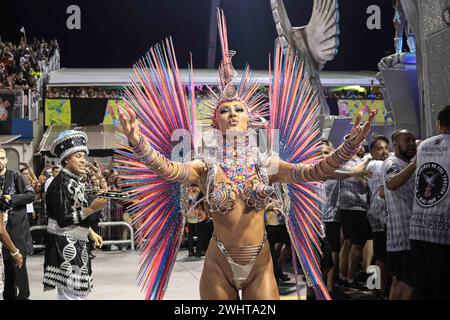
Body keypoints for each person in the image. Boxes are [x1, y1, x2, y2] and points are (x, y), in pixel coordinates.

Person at [116, 9, 376, 300]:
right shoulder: (206, 165)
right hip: (219, 263)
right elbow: (169, 170)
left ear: (249, 118)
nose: (232, 114)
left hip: (260, 264)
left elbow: (316, 171)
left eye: (238, 109)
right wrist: (139, 142)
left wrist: (348, 147)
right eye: (224, 110)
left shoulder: (267, 163)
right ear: (216, 122)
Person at [43, 130, 107, 300]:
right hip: (64, 246)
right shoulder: (59, 184)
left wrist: (91, 233)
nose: (83, 161)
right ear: (66, 159)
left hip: (77, 242)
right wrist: (93, 209)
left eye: (84, 157)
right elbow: (64, 220)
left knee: (80, 292)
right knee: (72, 294)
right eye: (78, 156)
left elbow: (75, 213)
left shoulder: (74, 181)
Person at [410, 105, 450, 299]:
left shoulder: (424, 145)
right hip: (444, 232)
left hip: (418, 229)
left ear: (439, 124)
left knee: (423, 289)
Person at [382, 129, 417, 300]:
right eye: (407, 140)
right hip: (401, 238)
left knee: (403, 281)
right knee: (406, 282)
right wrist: (416, 164)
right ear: (395, 144)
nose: (411, 143)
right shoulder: (392, 162)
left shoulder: (408, 163)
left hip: (411, 235)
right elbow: (391, 184)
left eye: (413, 140)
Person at [0, 148, 35, 300]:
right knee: (7, 277)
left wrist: (11, 198)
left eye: (1, 158)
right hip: (2, 234)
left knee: (20, 272)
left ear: (6, 160)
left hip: (17, 232)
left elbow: (31, 195)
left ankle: (24, 296)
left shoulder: (15, 176)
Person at [366, 135, 390, 298]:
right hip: (379, 212)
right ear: (372, 151)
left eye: (386, 148)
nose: (384, 151)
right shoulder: (376, 164)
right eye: (380, 148)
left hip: (375, 212)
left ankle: (374, 286)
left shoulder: (371, 163)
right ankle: (379, 289)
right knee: (381, 255)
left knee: (377, 253)